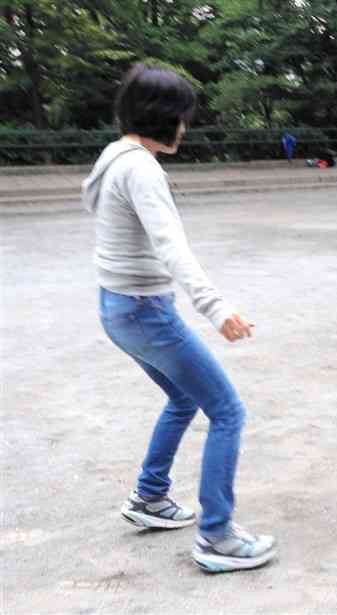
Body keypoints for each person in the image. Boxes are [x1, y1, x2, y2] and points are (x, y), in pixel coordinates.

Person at [81, 64, 277, 572]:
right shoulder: (142, 168)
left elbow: (98, 209)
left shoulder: (113, 156)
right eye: (182, 118)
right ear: (163, 117)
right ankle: (216, 539)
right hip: (145, 311)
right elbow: (171, 246)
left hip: (116, 307)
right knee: (228, 411)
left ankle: (149, 497)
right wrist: (216, 308)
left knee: (184, 397)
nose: (185, 129)